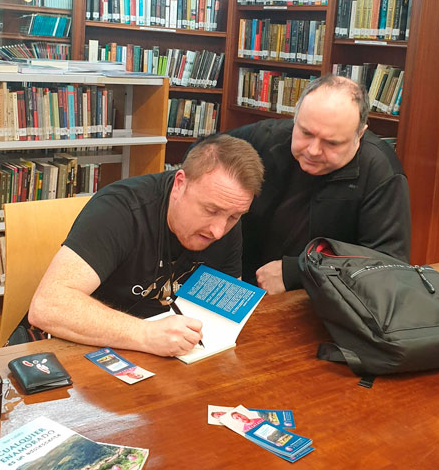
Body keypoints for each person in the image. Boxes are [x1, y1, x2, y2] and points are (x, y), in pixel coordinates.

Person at [28, 134, 264, 357]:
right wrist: (146, 334)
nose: (219, 231)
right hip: (86, 348)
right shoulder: (119, 210)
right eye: (210, 210)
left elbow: (223, 312)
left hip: (167, 357)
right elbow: (48, 306)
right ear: (180, 184)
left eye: (234, 217)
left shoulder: (224, 218)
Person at [226, 74, 411, 294]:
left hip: (316, 296)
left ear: (359, 134)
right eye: (305, 133)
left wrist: (297, 272)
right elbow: (202, 158)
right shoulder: (265, 137)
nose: (313, 150)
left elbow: (388, 266)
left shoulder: (380, 171)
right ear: (295, 117)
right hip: (237, 282)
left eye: (332, 143)